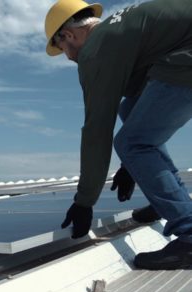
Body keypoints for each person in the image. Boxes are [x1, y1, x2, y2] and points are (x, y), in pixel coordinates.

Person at [44, 0, 192, 269]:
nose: (68, 56)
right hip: (181, 54)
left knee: (132, 142)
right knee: (130, 109)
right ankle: (166, 201)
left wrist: (84, 201)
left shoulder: (96, 49)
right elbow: (140, 98)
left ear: (69, 35)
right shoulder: (120, 33)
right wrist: (131, 167)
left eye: (63, 48)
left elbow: (96, 129)